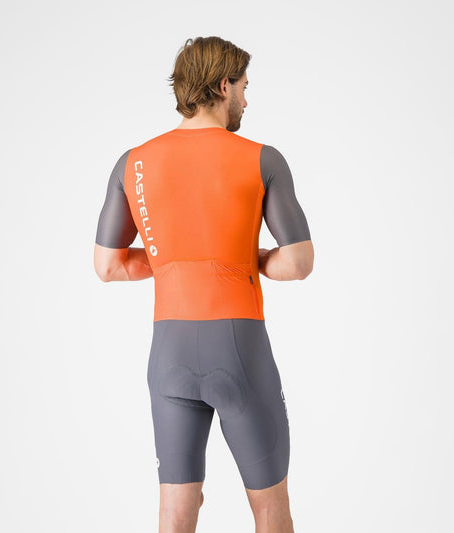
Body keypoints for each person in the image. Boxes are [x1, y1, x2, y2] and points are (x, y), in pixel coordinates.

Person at [94, 36, 314, 533]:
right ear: (223, 86)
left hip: (168, 355)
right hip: (239, 348)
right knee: (271, 511)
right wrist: (248, 258)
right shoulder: (263, 158)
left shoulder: (133, 162)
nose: (247, 101)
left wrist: (174, 262)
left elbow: (108, 266)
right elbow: (299, 262)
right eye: (245, 88)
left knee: (175, 515)